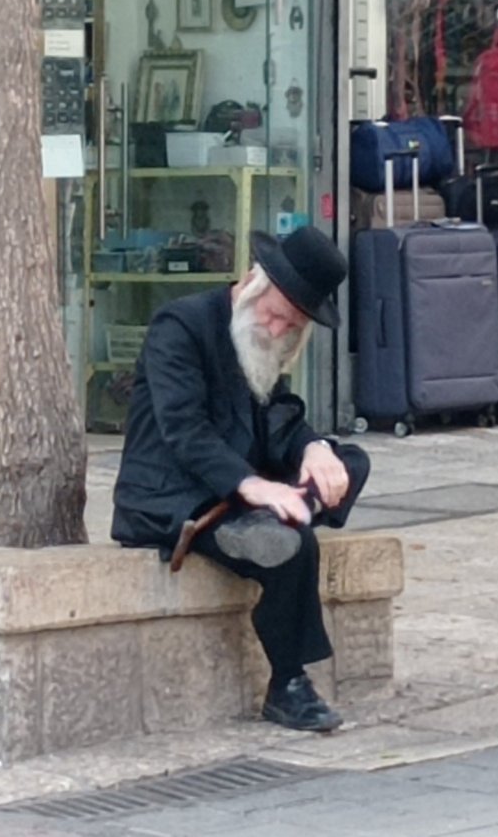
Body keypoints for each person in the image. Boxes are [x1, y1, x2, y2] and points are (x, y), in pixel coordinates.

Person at [111, 226, 370, 731]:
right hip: (176, 495)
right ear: (253, 284)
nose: (276, 330)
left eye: (291, 325)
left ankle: (291, 506)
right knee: (290, 544)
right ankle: (288, 684)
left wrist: (315, 450)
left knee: (349, 461)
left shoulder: (266, 339)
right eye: (275, 314)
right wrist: (254, 487)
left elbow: (279, 417)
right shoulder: (180, 325)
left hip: (244, 484)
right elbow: (184, 431)